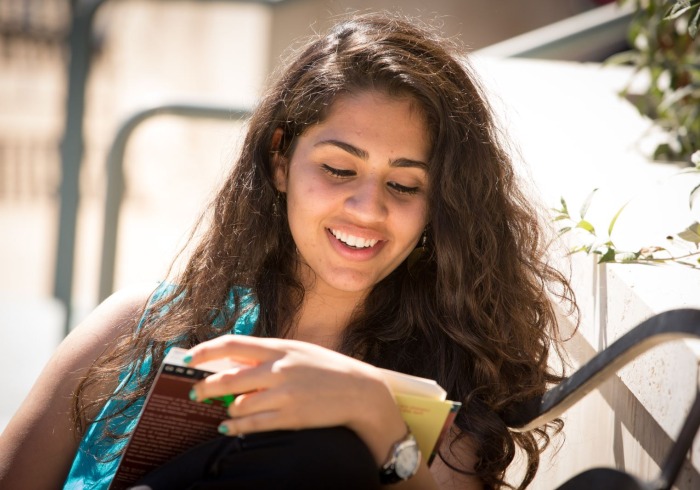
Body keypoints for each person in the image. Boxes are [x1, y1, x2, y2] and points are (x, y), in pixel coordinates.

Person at [0, 12, 576, 490]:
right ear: (280, 160)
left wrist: (376, 417)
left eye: (404, 185)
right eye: (337, 168)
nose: (367, 209)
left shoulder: (452, 376)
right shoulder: (138, 327)